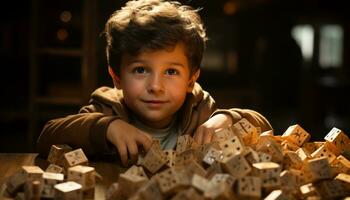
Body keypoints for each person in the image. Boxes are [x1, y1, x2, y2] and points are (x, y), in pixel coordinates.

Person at [37, 0, 272, 167]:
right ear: (117, 77)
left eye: (171, 71)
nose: (156, 86)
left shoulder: (201, 112)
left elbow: (265, 128)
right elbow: (47, 137)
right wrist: (105, 128)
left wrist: (229, 117)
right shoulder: (106, 109)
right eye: (140, 70)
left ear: (191, 79)